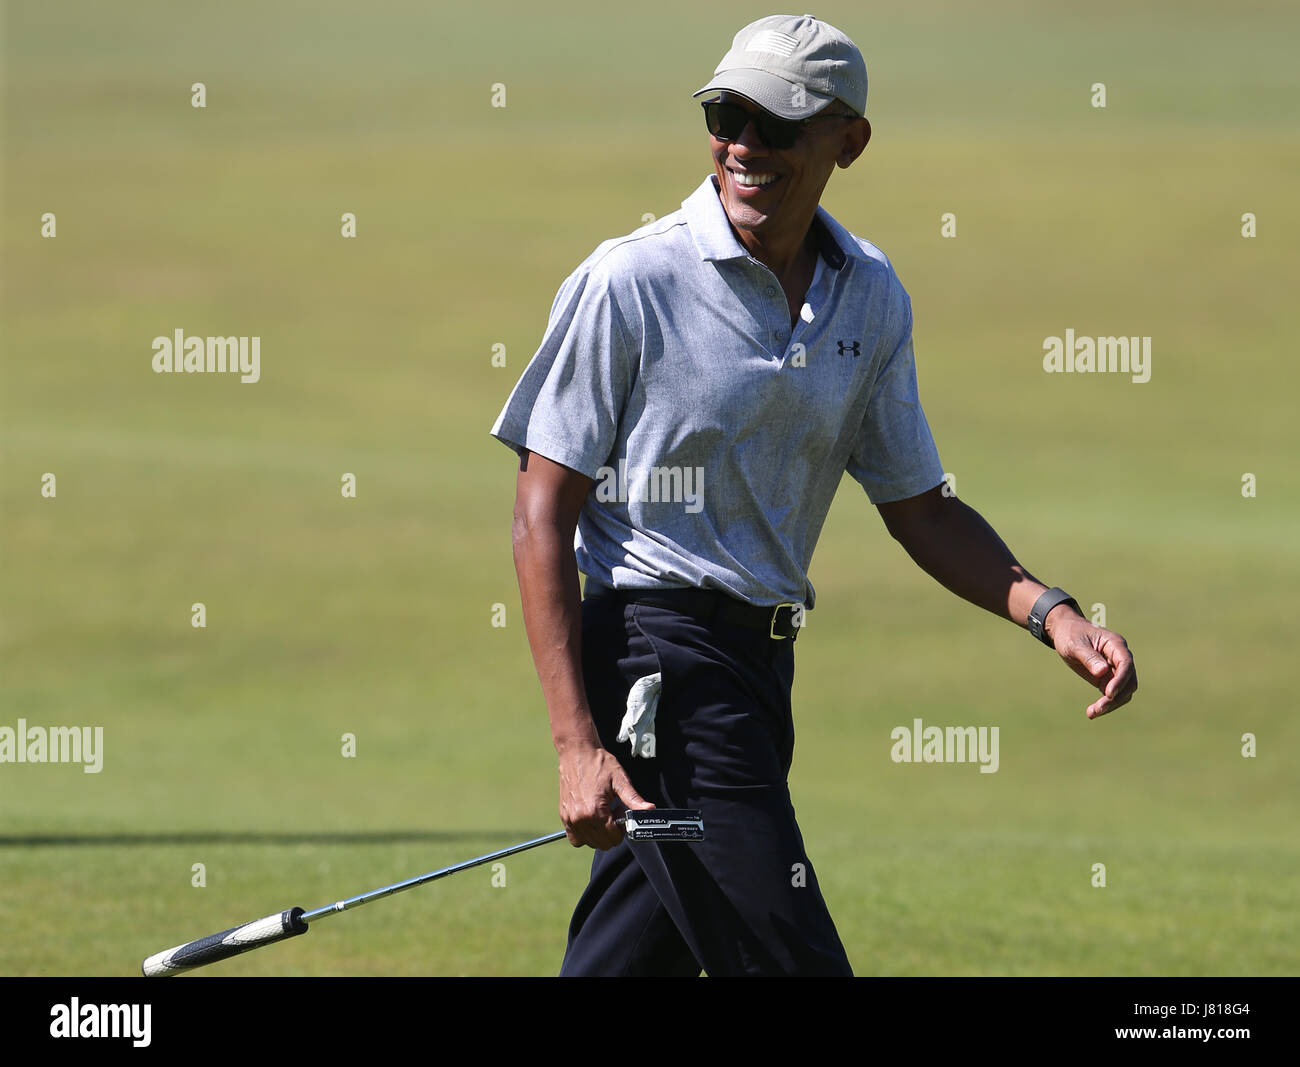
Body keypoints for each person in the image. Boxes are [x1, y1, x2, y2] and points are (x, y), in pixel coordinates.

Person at [490, 14, 1137, 976]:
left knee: (631, 955)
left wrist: (1051, 613)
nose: (744, 145)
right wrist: (575, 741)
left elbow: (921, 505)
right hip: (659, 667)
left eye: (778, 126)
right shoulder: (631, 280)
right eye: (726, 115)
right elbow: (541, 514)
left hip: (758, 674)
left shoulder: (868, 293)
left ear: (848, 141)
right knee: (788, 959)